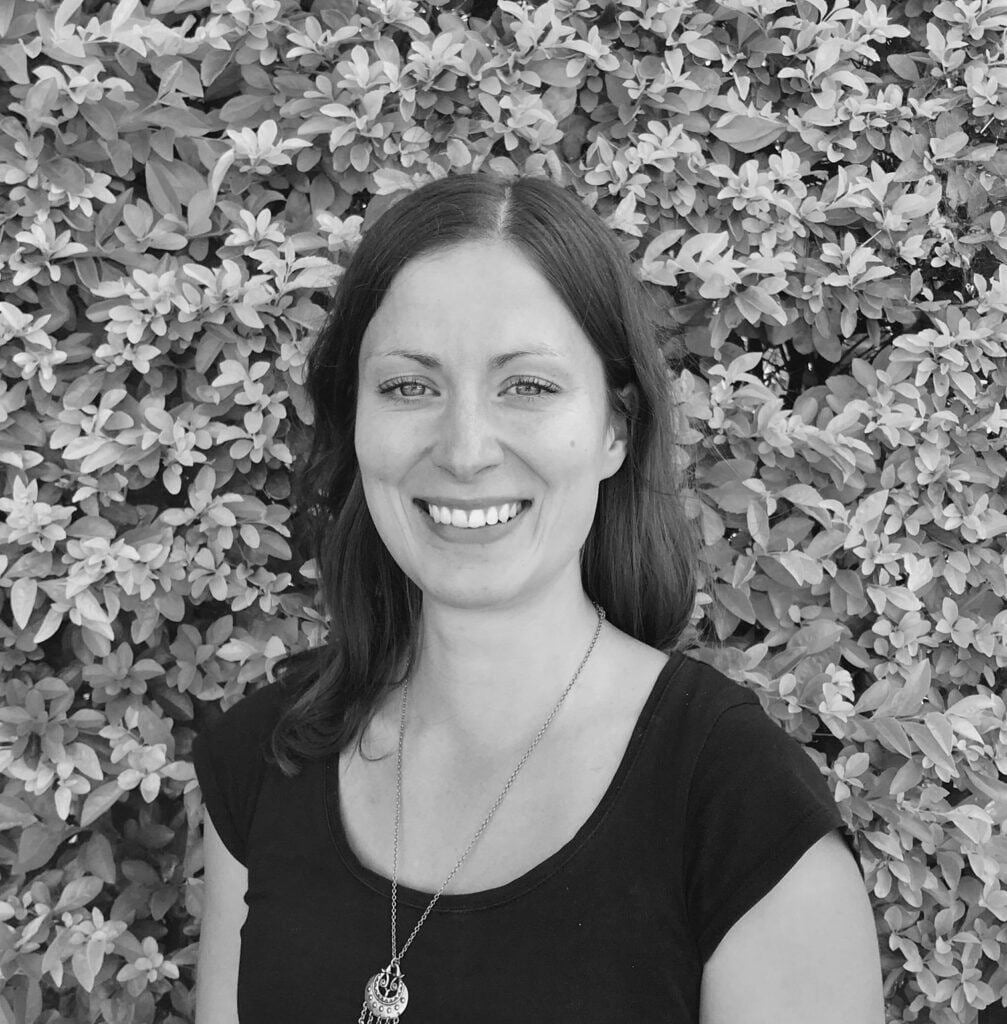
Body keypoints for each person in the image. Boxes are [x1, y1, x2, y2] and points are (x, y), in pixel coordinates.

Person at [192, 171, 885, 1024]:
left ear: (614, 428)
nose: (465, 450)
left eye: (526, 386)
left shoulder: (742, 819)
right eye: (409, 386)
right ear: (356, 422)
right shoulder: (261, 763)